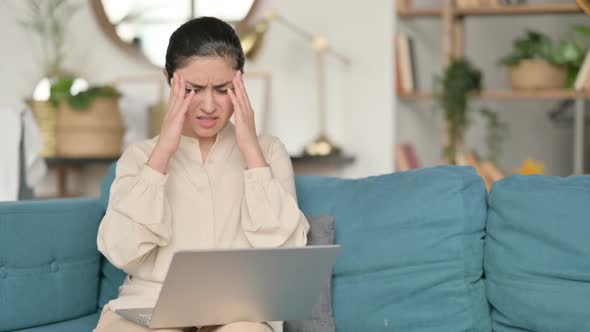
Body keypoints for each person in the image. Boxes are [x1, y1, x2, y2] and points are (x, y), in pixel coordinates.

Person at [93, 16, 310, 332]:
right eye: (193, 89)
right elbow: (121, 252)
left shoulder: (269, 152)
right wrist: (161, 157)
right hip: (148, 308)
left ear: (240, 81)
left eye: (223, 89)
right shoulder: (139, 157)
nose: (209, 106)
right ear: (169, 79)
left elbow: (288, 253)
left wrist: (251, 152)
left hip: (239, 313)